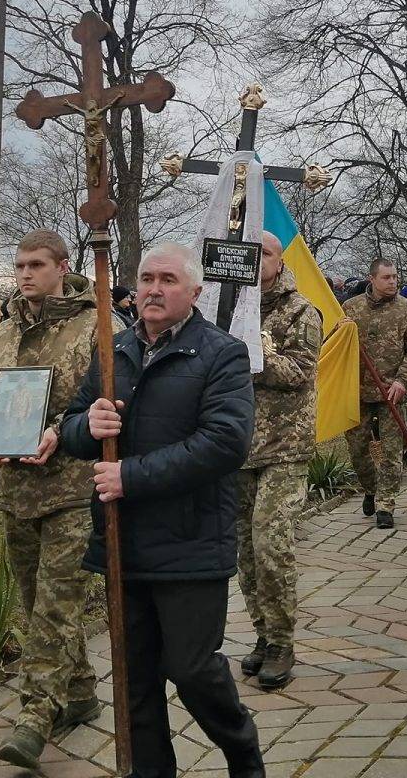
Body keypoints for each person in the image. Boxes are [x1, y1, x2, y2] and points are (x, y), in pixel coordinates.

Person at [61, 241, 263, 778]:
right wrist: (89, 427)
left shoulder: (222, 353)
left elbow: (225, 442)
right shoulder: (114, 350)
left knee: (193, 669)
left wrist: (131, 476)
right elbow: (76, 426)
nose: (153, 288)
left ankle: (242, 751)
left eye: (168, 279)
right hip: (122, 541)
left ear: (194, 291)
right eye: (147, 278)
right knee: (134, 680)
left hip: (190, 541)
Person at [0, 233, 108, 767]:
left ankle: (34, 716)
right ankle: (82, 693)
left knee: (54, 605)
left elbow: (110, 399)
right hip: (15, 491)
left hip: (74, 487)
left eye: (36, 265)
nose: (25, 274)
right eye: (19, 265)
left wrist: (61, 432)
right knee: (35, 601)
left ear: (62, 266)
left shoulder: (96, 327)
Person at [237, 232, 321, 692]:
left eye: (264, 253)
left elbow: (299, 371)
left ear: (279, 259)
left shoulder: (301, 310)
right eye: (250, 254)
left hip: (284, 446)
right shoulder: (230, 306)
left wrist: (251, 349)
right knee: (246, 549)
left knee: (271, 543)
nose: (257, 261)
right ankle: (262, 635)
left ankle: (283, 642)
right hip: (239, 447)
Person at [342, 257, 407, 530]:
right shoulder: (350, 309)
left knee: (391, 451)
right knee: (357, 449)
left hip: (392, 391)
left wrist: (403, 380)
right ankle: (370, 488)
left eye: (395, 277)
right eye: (387, 277)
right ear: (372, 279)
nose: (393, 282)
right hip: (357, 391)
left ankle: (386, 504)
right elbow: (336, 345)